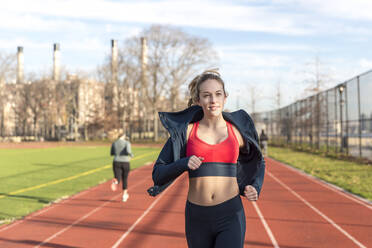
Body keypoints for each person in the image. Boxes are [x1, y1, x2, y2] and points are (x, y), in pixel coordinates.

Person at [147, 69, 265, 248]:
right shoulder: (186, 132)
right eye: (207, 95)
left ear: (225, 97)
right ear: (198, 101)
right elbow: (158, 173)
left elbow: (258, 161)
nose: (213, 100)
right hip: (197, 218)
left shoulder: (237, 133)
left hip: (230, 214)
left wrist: (254, 186)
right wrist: (183, 163)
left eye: (218, 94)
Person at [110, 133, 133, 202]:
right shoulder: (127, 143)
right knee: (125, 179)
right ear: (124, 136)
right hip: (125, 162)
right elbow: (129, 151)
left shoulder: (114, 143)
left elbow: (112, 153)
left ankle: (115, 182)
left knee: (118, 178)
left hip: (116, 161)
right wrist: (131, 155)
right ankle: (124, 195)